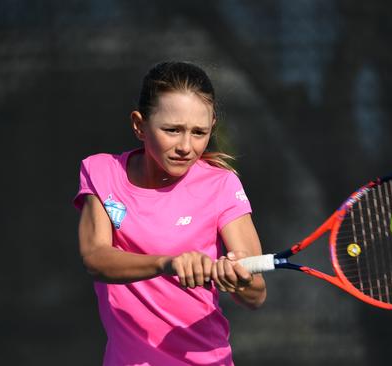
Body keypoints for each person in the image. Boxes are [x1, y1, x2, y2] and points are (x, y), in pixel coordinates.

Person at [74, 61, 266, 366]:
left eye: (199, 132)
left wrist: (238, 280)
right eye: (172, 130)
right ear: (139, 124)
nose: (186, 147)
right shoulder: (101, 172)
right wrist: (168, 263)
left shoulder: (222, 185)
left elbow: (256, 295)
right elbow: (96, 258)